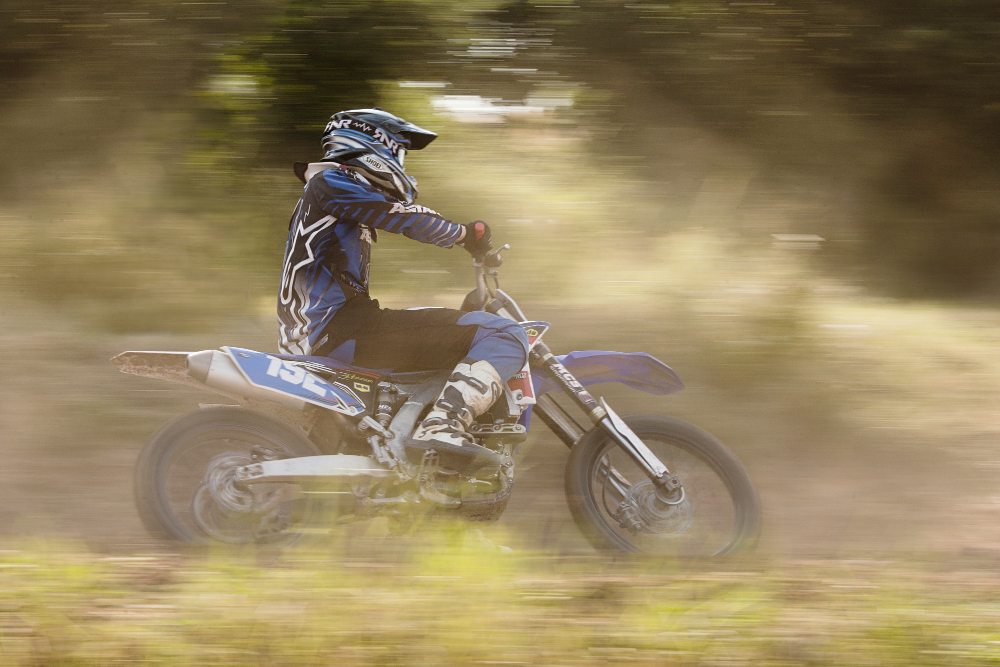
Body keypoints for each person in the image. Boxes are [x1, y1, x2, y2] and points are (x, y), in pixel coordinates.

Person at [277, 108, 529, 475]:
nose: (402, 162)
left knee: (448, 330)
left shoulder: (325, 194)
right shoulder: (330, 182)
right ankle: (441, 427)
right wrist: (464, 234)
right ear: (374, 146)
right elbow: (401, 215)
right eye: (400, 151)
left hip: (334, 332)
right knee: (504, 332)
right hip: (344, 332)